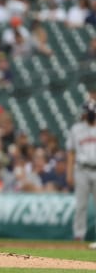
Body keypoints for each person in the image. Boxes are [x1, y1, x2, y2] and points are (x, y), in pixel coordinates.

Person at [66, 101, 96, 249]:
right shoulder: (76, 129)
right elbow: (71, 152)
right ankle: (78, 236)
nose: (90, 114)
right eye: (88, 112)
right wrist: (69, 173)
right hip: (82, 169)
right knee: (81, 205)